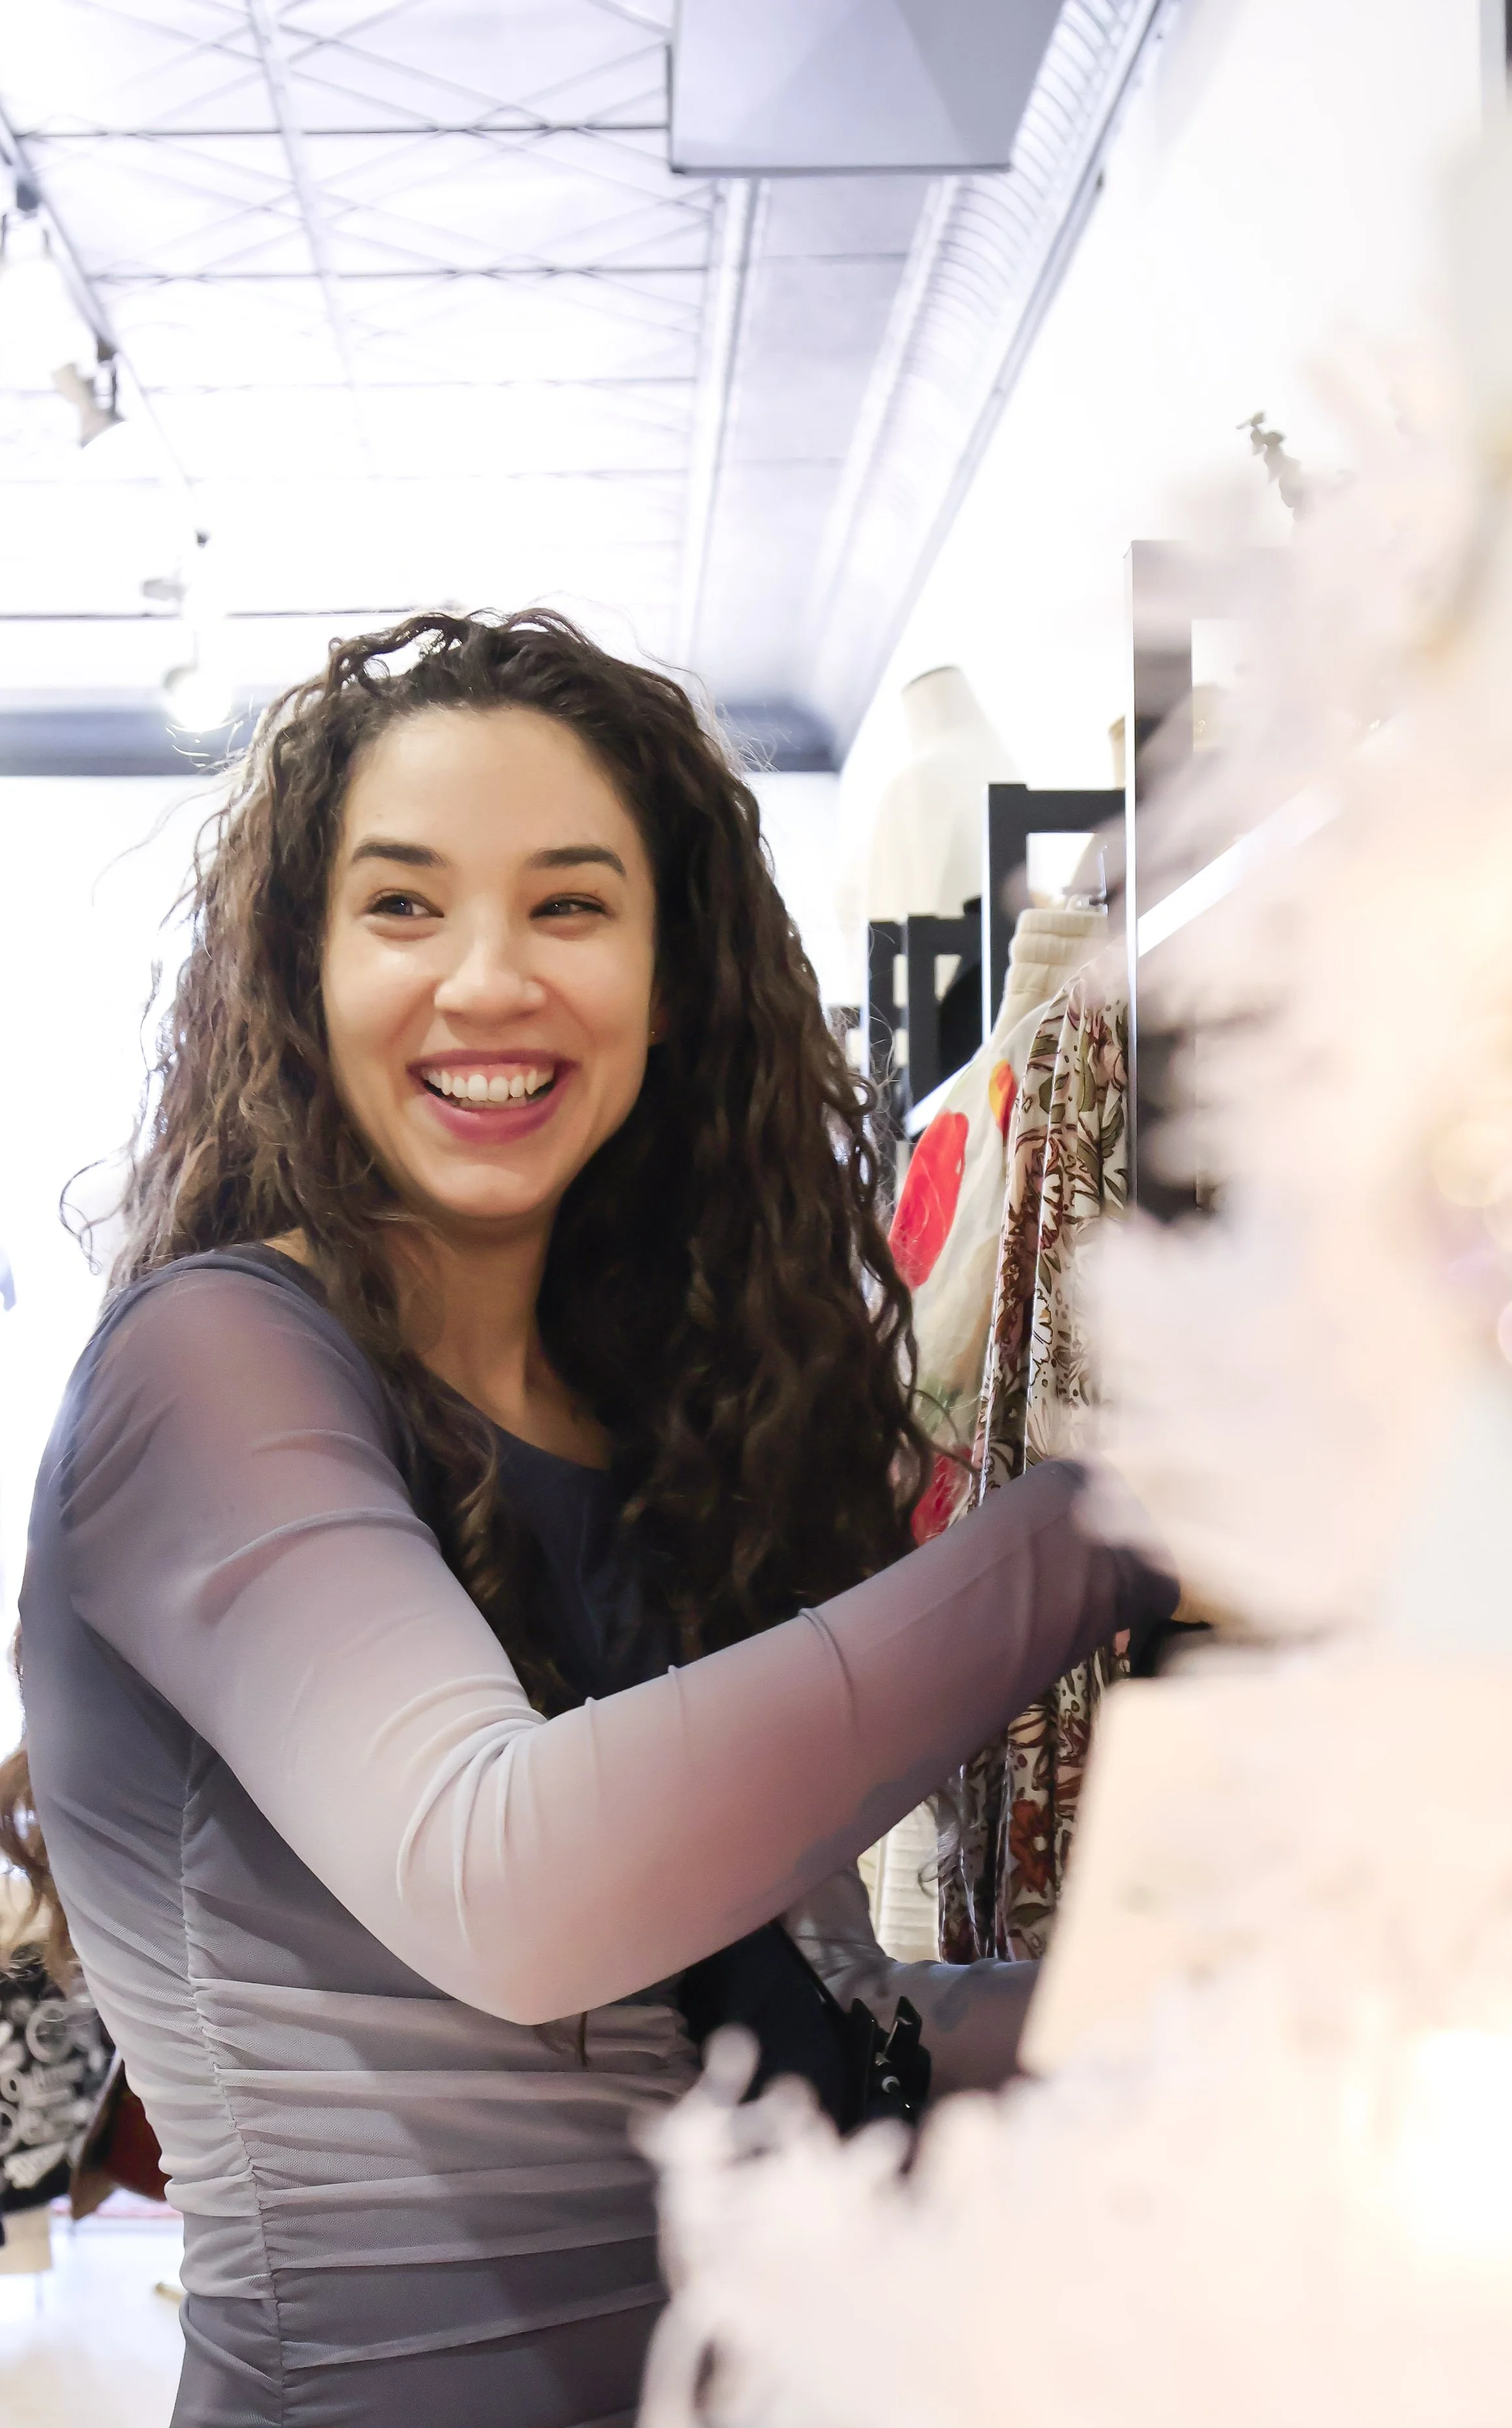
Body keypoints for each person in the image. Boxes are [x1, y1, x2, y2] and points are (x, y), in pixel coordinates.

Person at [0, 611, 1171, 2428]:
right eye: (403, 906)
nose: (485, 980)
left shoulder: (656, 1427)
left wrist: (1223, 1985)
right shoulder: (214, 1364)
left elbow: (798, 2035)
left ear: (672, 972)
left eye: (567, 906)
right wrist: (1114, 1520)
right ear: (297, 972)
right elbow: (518, 1885)